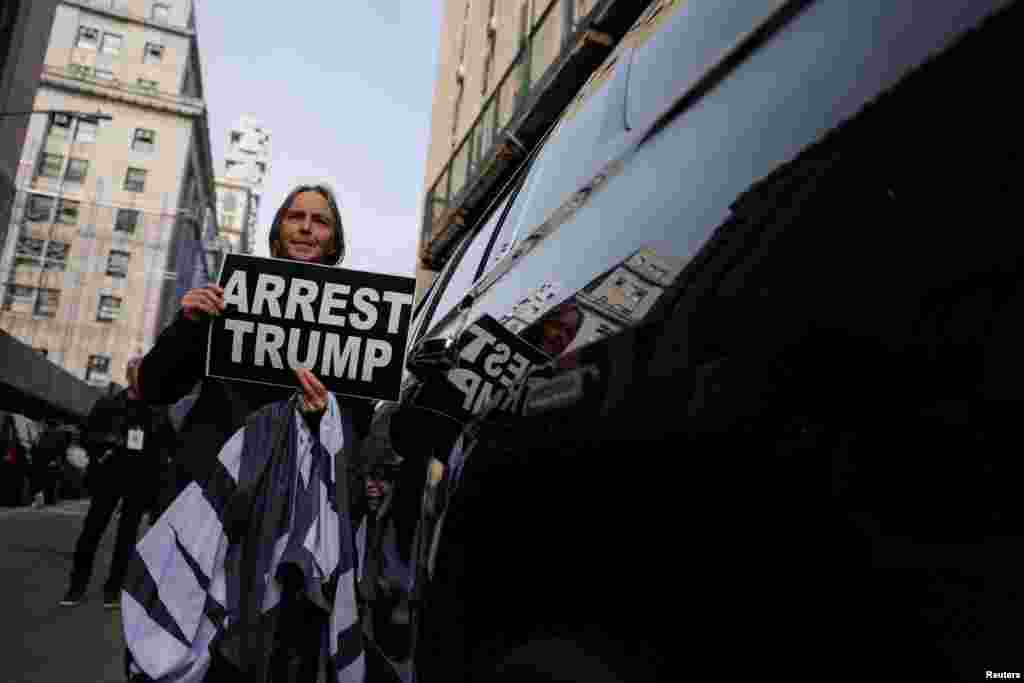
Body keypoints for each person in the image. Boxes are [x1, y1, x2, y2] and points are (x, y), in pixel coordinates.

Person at [138, 183, 372, 504]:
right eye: (295, 217)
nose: (306, 227)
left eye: (320, 221)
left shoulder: (354, 324)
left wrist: (325, 417)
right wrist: (187, 324)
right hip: (204, 496)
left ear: (333, 243)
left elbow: (358, 431)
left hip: (290, 507)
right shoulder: (229, 299)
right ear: (278, 233)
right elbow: (154, 388)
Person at [60, 357, 171, 608]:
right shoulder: (109, 404)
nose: (140, 377)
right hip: (109, 478)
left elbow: (166, 447)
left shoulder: (156, 410)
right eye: (136, 372)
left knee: (127, 538)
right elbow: (87, 435)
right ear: (128, 375)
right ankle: (76, 586)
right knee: (91, 531)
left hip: (138, 481)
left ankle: (113, 589)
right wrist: (108, 442)